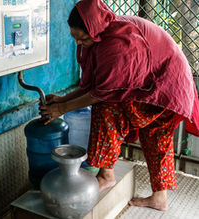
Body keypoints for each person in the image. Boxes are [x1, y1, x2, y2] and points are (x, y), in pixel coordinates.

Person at [39, 0, 199, 211]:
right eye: (75, 38)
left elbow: (102, 93)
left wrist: (61, 109)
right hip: (160, 82)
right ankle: (159, 198)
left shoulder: (117, 45)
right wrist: (63, 99)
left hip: (168, 85)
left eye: (83, 38)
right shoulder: (99, 36)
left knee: (108, 110)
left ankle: (106, 175)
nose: (79, 43)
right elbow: (94, 84)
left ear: (94, 31)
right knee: (156, 135)